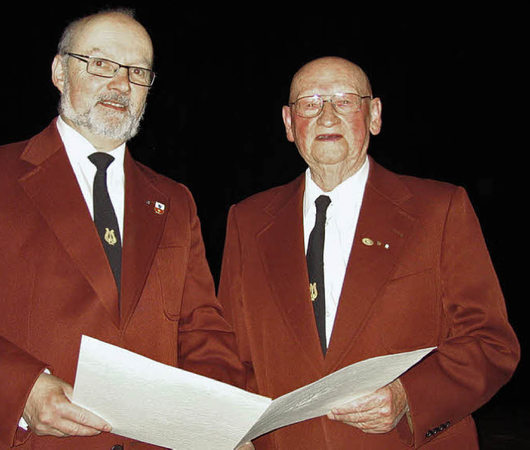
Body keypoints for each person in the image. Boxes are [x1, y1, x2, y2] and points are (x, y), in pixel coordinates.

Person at [217, 56, 520, 449]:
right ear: (289, 124)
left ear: (374, 115)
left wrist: (408, 397)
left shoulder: (439, 210)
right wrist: (232, 431)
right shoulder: (248, 221)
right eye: (310, 103)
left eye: (344, 101)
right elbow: (230, 353)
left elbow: (491, 342)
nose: (327, 116)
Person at [0, 9, 244, 449]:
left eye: (137, 71)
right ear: (59, 72)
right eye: (101, 63)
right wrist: (21, 390)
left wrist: (218, 422)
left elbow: (203, 331)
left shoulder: (175, 201)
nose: (121, 84)